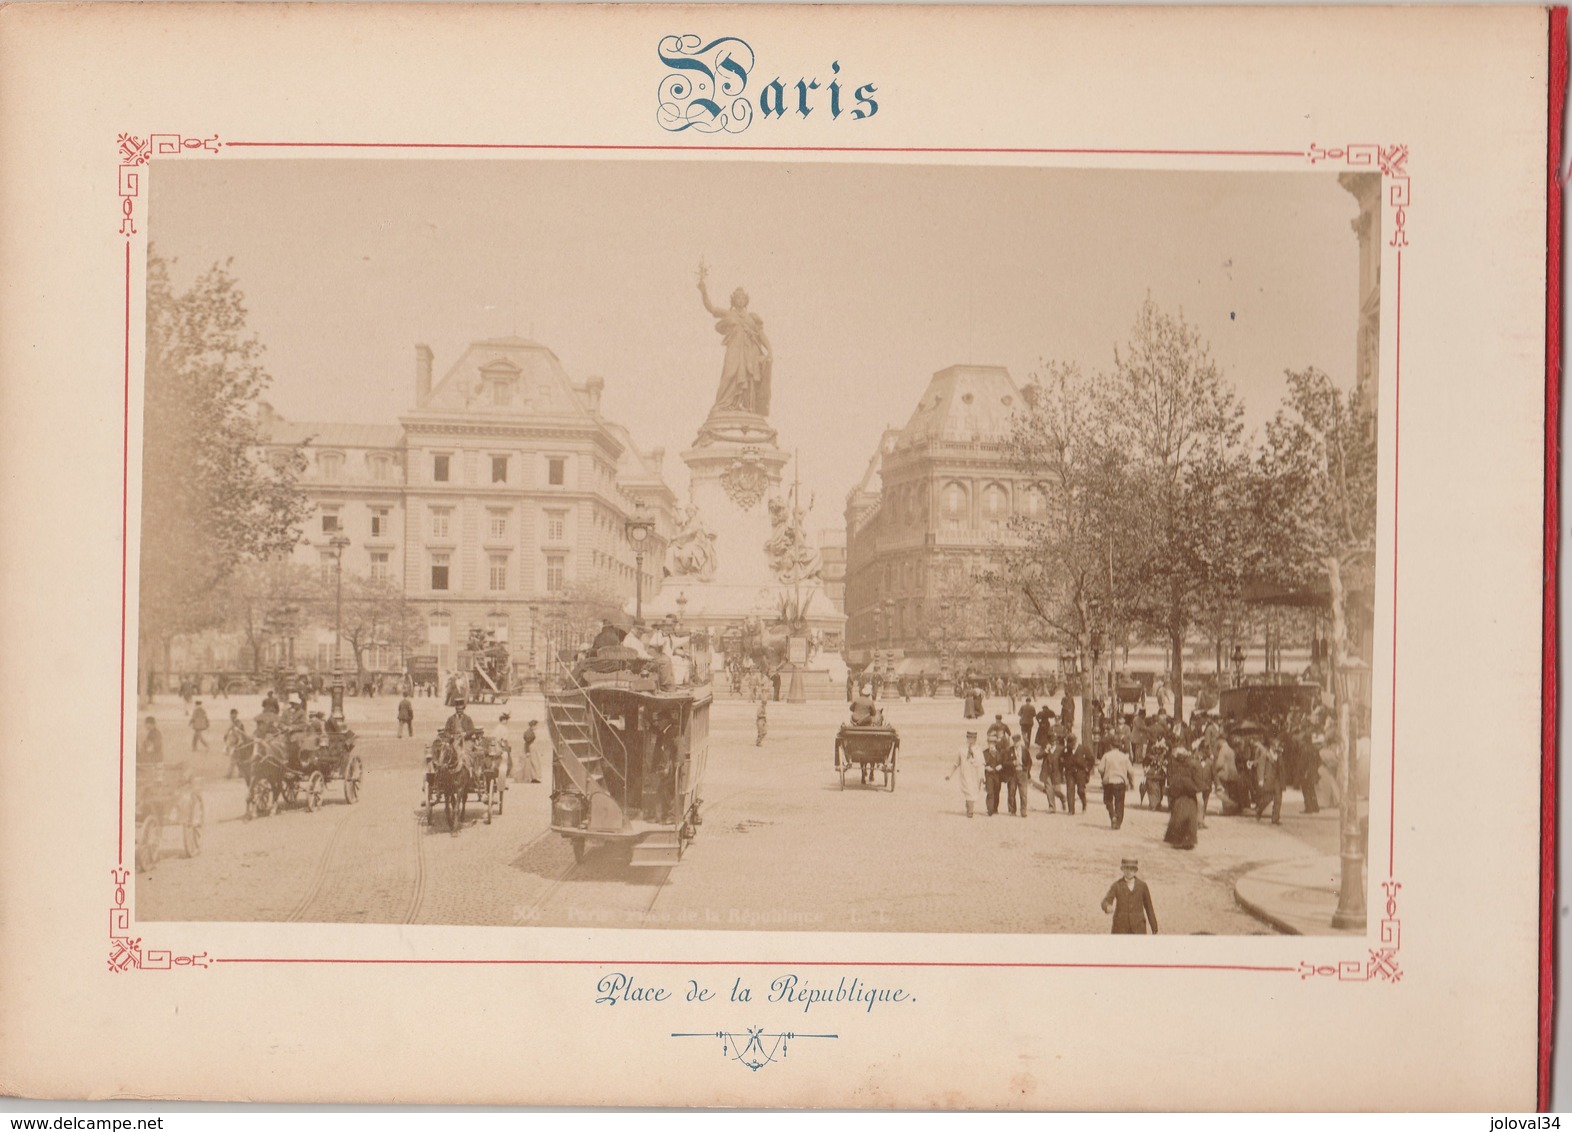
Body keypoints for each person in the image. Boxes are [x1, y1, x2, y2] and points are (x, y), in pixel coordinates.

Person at [1102, 859, 1159, 934]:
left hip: (1138, 928)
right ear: (1122, 869)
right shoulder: (1117, 885)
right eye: (1126, 868)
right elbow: (1105, 901)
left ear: (1135, 870)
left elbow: (1149, 907)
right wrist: (1107, 906)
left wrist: (1154, 925)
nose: (1129, 871)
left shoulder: (1142, 886)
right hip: (1120, 928)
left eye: (1132, 869)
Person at [1163, 748, 1201, 850]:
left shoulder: (1182, 766)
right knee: (1187, 818)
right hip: (1189, 796)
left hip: (1182, 796)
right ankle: (1188, 840)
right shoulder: (1193, 765)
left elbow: (1176, 781)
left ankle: (1180, 840)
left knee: (1180, 817)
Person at [1097, 736, 1135, 830]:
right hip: (1121, 782)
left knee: (1108, 800)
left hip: (1109, 781)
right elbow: (1131, 771)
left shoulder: (1106, 756)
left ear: (1111, 745)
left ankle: (1112, 815)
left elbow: (1100, 769)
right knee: (1120, 802)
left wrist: (1104, 774)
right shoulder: (1125, 757)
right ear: (1119, 746)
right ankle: (1118, 823)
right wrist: (1132, 783)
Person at [946, 730, 984, 818]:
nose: (970, 739)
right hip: (965, 774)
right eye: (969, 737)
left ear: (975, 739)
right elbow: (956, 764)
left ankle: (969, 807)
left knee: (973, 793)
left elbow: (982, 764)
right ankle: (970, 811)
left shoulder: (978, 750)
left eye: (972, 738)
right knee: (968, 791)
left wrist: (982, 776)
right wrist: (949, 775)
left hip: (975, 775)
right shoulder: (962, 750)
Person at [1256, 738, 1284, 825]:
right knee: (1267, 799)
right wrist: (1260, 779)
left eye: (1278, 746)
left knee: (1278, 800)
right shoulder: (1265, 755)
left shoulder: (1279, 755)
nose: (1277, 748)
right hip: (1268, 779)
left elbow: (1281, 768)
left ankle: (1275, 819)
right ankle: (1259, 810)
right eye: (1275, 746)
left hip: (1277, 780)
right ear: (1271, 746)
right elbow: (1261, 767)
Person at [223, 709, 247, 778]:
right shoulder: (234, 722)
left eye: (233, 714)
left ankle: (229, 775)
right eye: (232, 714)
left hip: (237, 743)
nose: (232, 716)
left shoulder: (237, 723)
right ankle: (242, 773)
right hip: (235, 742)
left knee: (233, 759)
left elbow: (240, 733)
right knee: (238, 759)